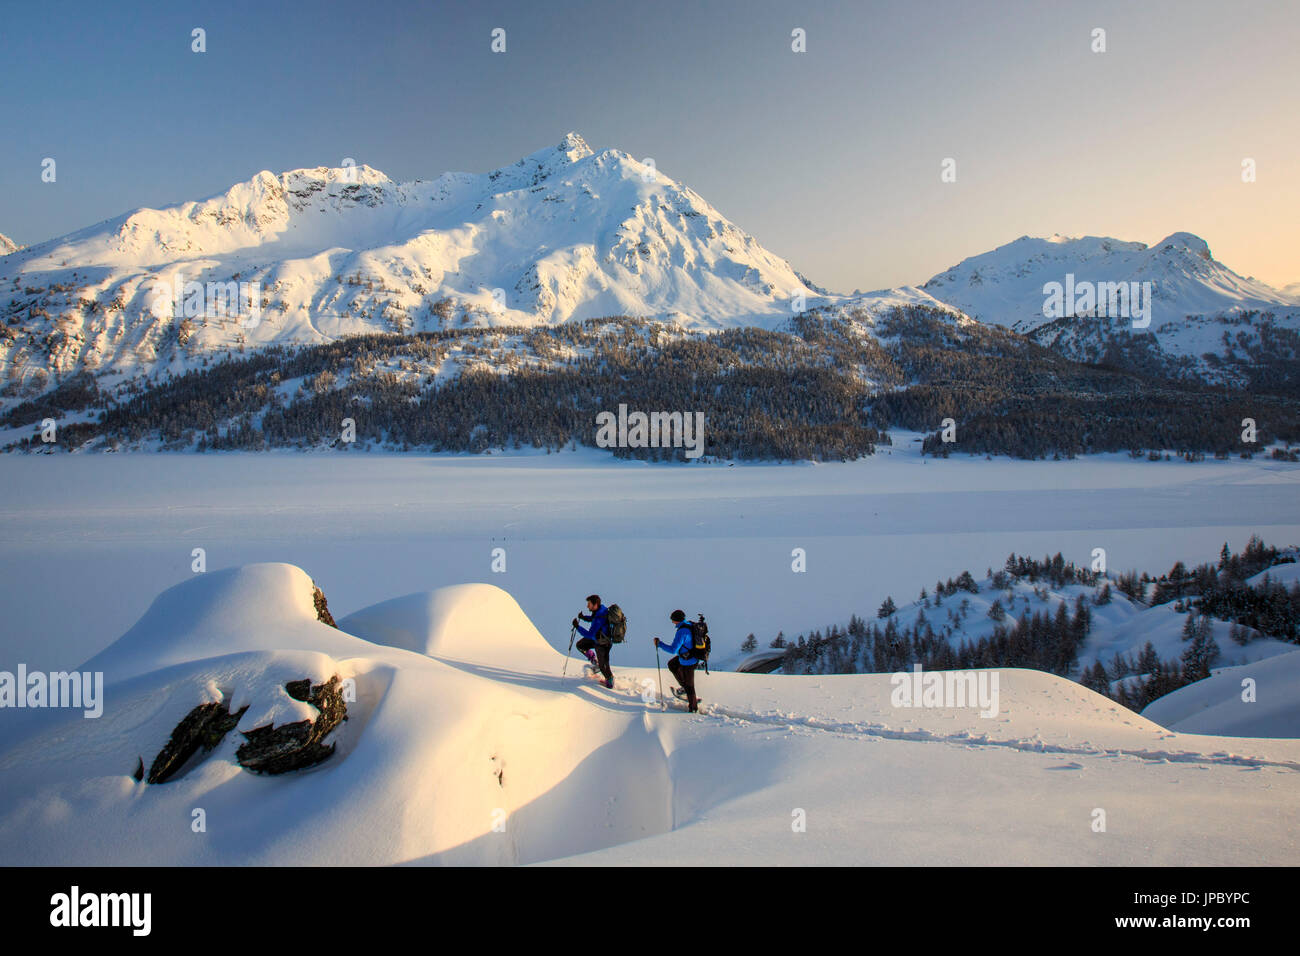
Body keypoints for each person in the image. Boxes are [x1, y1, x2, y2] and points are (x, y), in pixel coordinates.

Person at [653, 609, 698, 712]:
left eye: (672, 620)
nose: (672, 622)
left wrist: (660, 644)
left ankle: (693, 708)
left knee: (690, 686)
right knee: (672, 664)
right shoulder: (689, 624)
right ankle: (684, 688)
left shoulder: (682, 632)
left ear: (676, 620)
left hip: (688, 661)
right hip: (691, 657)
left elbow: (673, 650)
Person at [572, 594, 614, 688]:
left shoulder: (599, 617)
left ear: (595, 604)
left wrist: (577, 627)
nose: (587, 606)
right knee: (580, 645)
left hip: (603, 644)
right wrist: (583, 617)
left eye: (589, 604)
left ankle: (610, 682)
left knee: (604, 666)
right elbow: (592, 619)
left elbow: (590, 634)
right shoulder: (600, 611)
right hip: (598, 640)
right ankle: (595, 661)